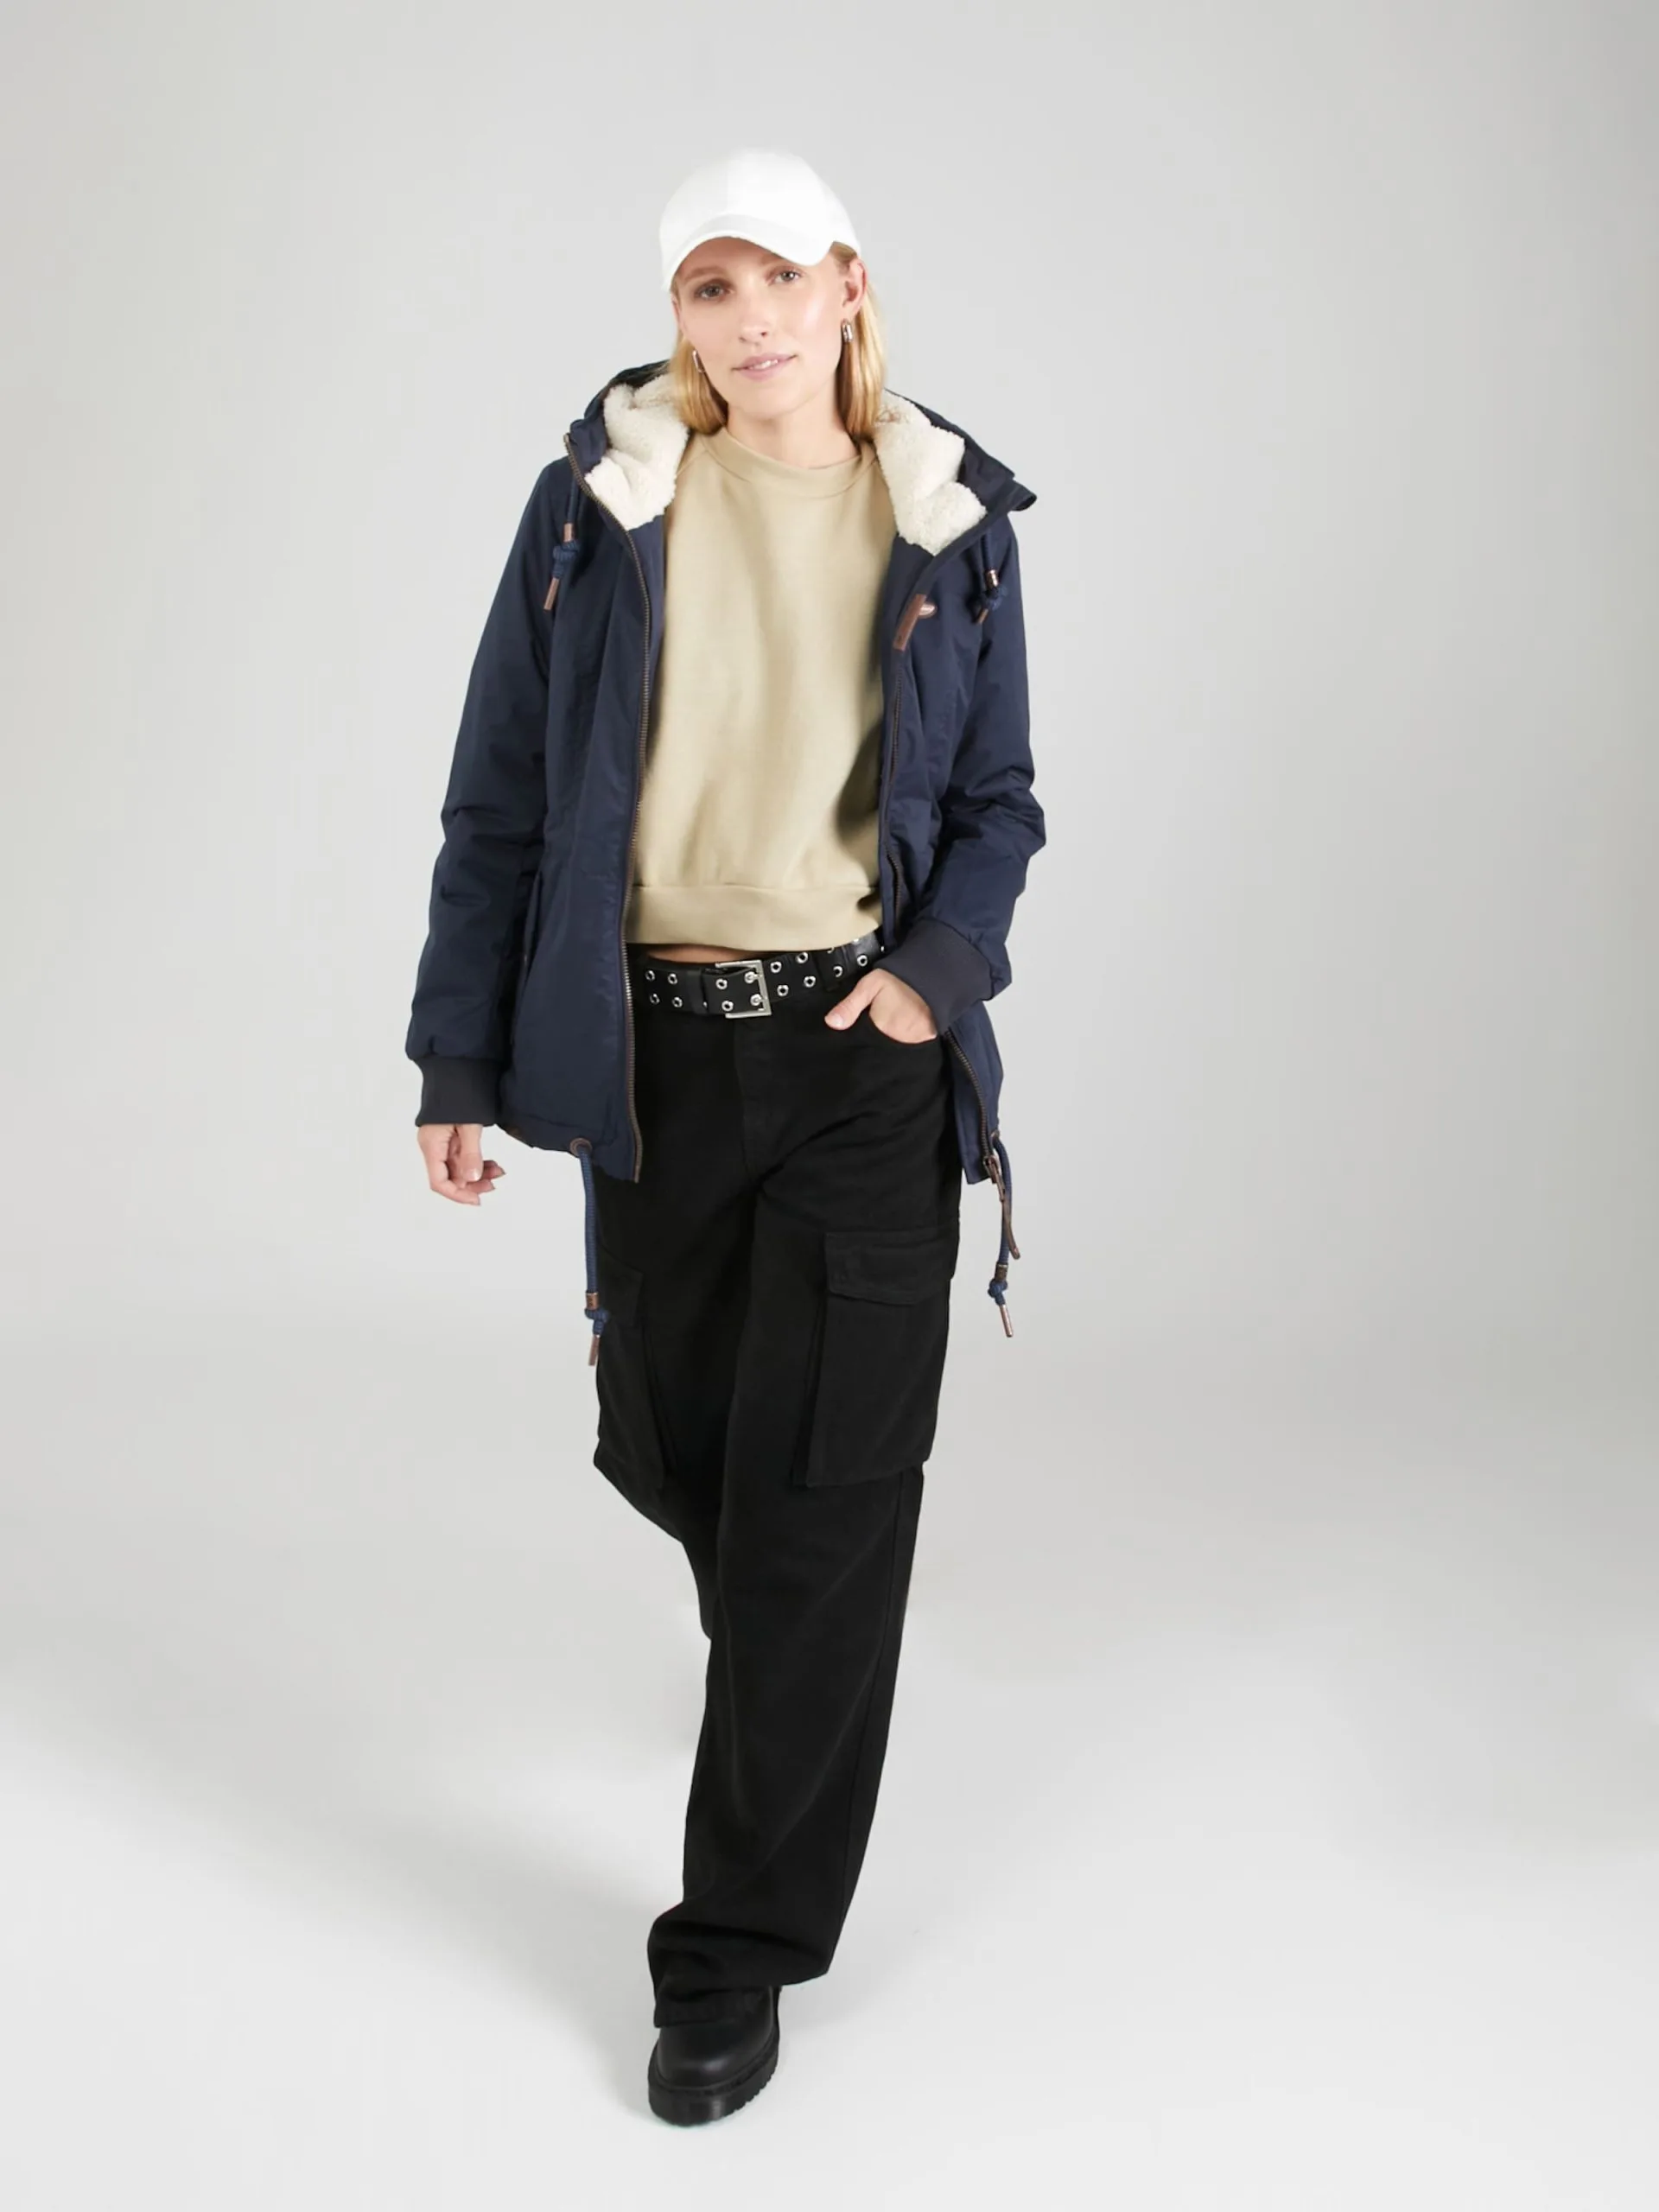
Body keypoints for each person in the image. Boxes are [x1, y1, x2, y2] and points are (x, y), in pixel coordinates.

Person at [404, 146, 1045, 2124]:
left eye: (781, 277)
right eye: (709, 286)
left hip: (860, 1056)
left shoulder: (949, 514)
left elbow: (1001, 799)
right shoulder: (601, 505)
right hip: (656, 1060)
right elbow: (500, 797)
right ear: (677, 312)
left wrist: (934, 973)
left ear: (848, 283)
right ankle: (784, 1659)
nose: (750, 318)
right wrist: (456, 1057)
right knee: (681, 1447)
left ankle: (731, 1952)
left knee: (828, 1499)